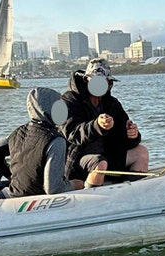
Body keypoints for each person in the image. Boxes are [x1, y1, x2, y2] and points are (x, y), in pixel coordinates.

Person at [61, 57, 149, 187]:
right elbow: (71, 134)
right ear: (87, 79)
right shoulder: (67, 101)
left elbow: (125, 137)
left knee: (141, 152)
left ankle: (133, 192)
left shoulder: (112, 103)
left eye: (106, 82)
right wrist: (97, 126)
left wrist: (133, 135)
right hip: (77, 160)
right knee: (100, 163)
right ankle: (93, 199)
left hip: (109, 156)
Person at [0, 87, 83, 197]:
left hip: (15, 197)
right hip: (39, 201)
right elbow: (53, 188)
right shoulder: (56, 140)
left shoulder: (16, 133)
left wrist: (10, 176)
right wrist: (75, 184)